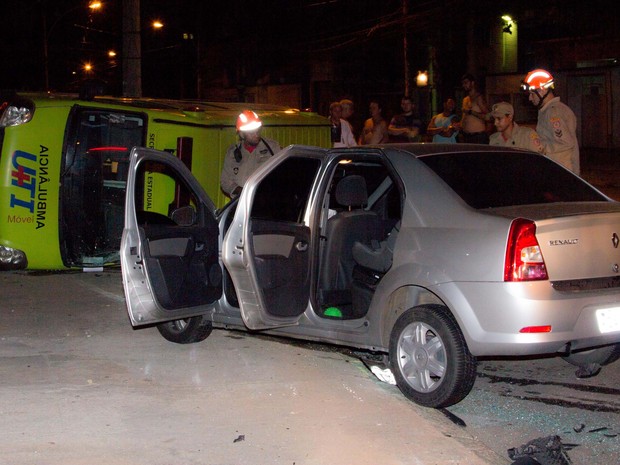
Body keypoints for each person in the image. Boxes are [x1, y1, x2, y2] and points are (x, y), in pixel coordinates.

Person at [522, 68, 580, 174]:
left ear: (543, 90)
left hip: (562, 171)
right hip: (557, 169)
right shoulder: (548, 111)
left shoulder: (554, 112)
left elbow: (565, 143)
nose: (530, 98)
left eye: (532, 93)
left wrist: (537, 146)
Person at [220, 110, 281, 199]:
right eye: (251, 132)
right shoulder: (232, 153)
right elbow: (225, 181)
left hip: (266, 204)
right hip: (241, 205)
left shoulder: (272, 148)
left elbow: (282, 175)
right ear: (242, 134)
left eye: (257, 130)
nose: (256, 134)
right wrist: (243, 191)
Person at [454, 73, 491, 144]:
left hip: (478, 136)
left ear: (472, 83)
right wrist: (459, 125)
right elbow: (465, 117)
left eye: (466, 83)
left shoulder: (479, 98)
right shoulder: (465, 99)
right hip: (466, 136)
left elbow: (489, 116)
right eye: (463, 83)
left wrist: (471, 112)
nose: (464, 85)